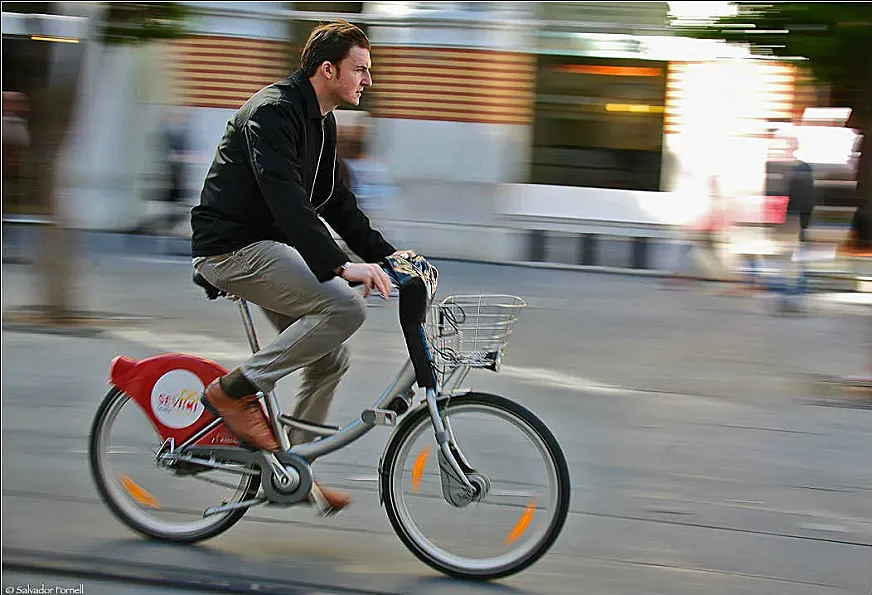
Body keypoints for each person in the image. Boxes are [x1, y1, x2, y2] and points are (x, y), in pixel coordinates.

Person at [189, 21, 414, 510]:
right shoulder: (273, 113)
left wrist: (388, 256)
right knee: (345, 309)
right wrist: (339, 266)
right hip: (233, 248)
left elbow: (335, 201)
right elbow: (286, 198)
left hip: (267, 248)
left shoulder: (321, 120)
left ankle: (283, 469)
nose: (368, 81)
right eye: (360, 69)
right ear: (327, 68)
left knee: (330, 359)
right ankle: (233, 392)